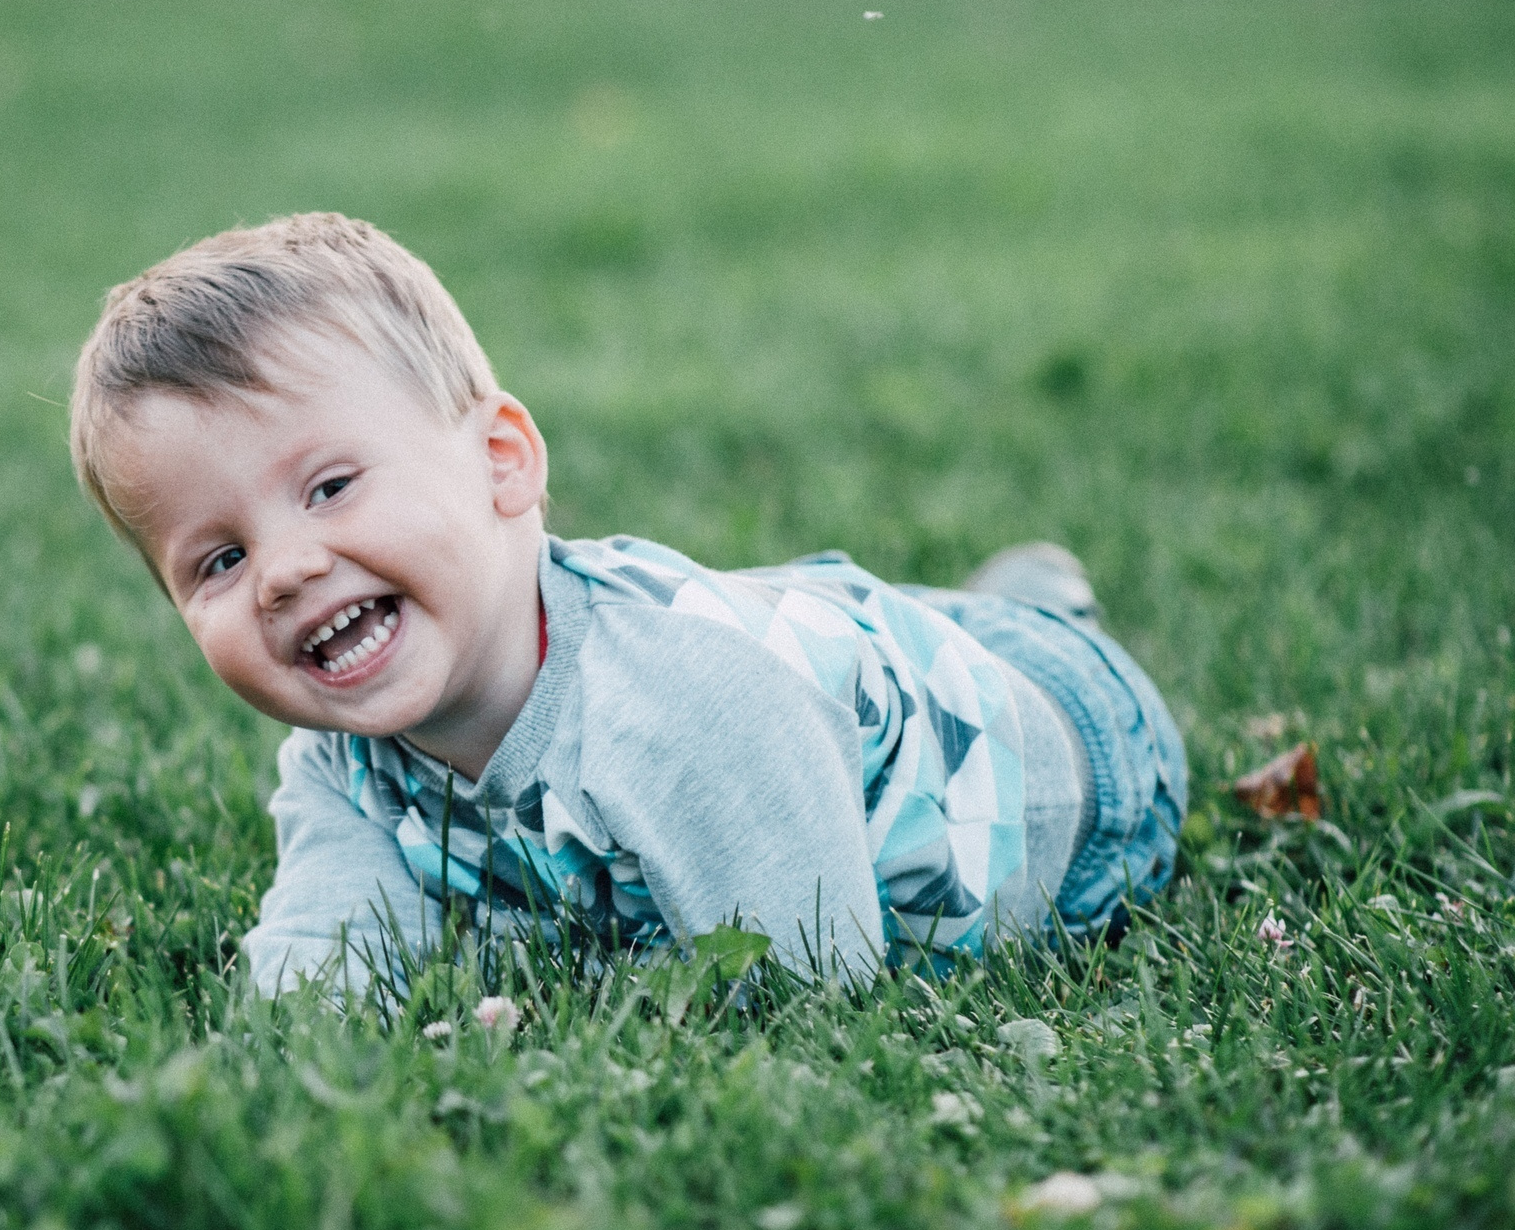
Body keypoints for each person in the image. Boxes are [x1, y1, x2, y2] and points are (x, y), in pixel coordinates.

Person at [68, 213, 1187, 997]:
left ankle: (1041, 616)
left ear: (503, 461)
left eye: (329, 486)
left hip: (1078, 768)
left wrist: (543, 1010)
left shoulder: (687, 706)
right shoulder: (345, 766)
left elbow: (804, 971)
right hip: (823, 659)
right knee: (823, 647)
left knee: (922, 658)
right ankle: (963, 614)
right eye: (216, 559)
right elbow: (324, 960)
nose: (283, 570)